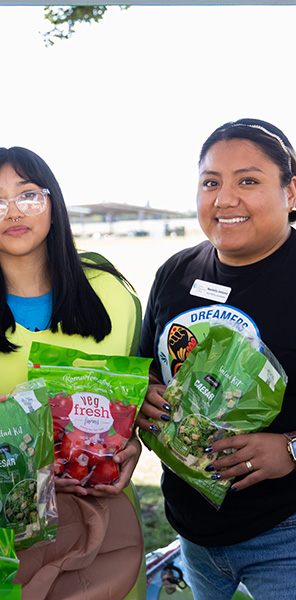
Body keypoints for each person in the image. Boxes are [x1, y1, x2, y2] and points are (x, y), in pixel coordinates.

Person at [0, 147, 146, 600]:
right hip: (5, 534)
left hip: (104, 528)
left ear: (54, 205)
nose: (13, 211)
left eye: (29, 195)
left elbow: (142, 401)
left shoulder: (112, 293)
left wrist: (134, 442)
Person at [137, 118, 296, 600]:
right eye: (211, 182)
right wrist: (141, 397)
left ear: (291, 192)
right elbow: (147, 368)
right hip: (192, 531)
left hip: (285, 532)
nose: (224, 199)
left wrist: (290, 448)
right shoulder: (176, 272)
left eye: (248, 180)